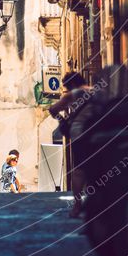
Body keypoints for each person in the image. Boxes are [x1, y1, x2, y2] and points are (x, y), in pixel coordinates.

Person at [49, 71, 95, 217]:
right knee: (95, 168)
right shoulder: (97, 91)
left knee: (79, 170)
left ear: (72, 84)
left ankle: (77, 206)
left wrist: (63, 120)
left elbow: (53, 109)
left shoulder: (73, 94)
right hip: (96, 133)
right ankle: (95, 203)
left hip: (79, 134)